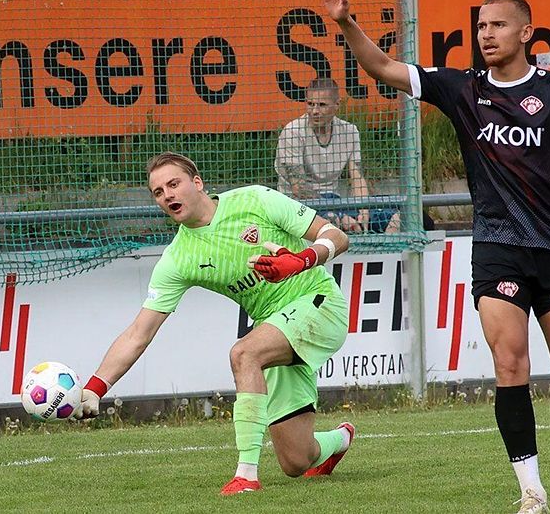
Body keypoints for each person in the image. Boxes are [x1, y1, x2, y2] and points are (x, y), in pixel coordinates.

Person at [318, 0, 550, 512]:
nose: (486, 34)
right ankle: (531, 491)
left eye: (497, 25)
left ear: (526, 31)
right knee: (510, 366)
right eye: (480, 26)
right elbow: (385, 68)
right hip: (496, 247)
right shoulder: (463, 88)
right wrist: (344, 23)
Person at [74, 152, 356, 495]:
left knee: (244, 353)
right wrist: (95, 387)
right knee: (296, 461)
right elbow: (138, 334)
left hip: (319, 304)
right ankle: (340, 439)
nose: (167, 195)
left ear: (197, 183)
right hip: (277, 327)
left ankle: (246, 476)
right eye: (159, 192)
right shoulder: (178, 258)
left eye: (173, 184)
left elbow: (337, 237)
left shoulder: (256, 199)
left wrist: (301, 261)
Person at [276, 77, 400, 234]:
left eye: (322, 105)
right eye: (310, 104)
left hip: (335, 201)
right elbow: (298, 187)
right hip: (297, 206)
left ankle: (383, 253)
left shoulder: (350, 131)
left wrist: (363, 212)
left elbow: (357, 178)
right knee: (331, 220)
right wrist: (340, 215)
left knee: (395, 216)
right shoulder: (292, 132)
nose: (314, 111)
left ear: (336, 106)